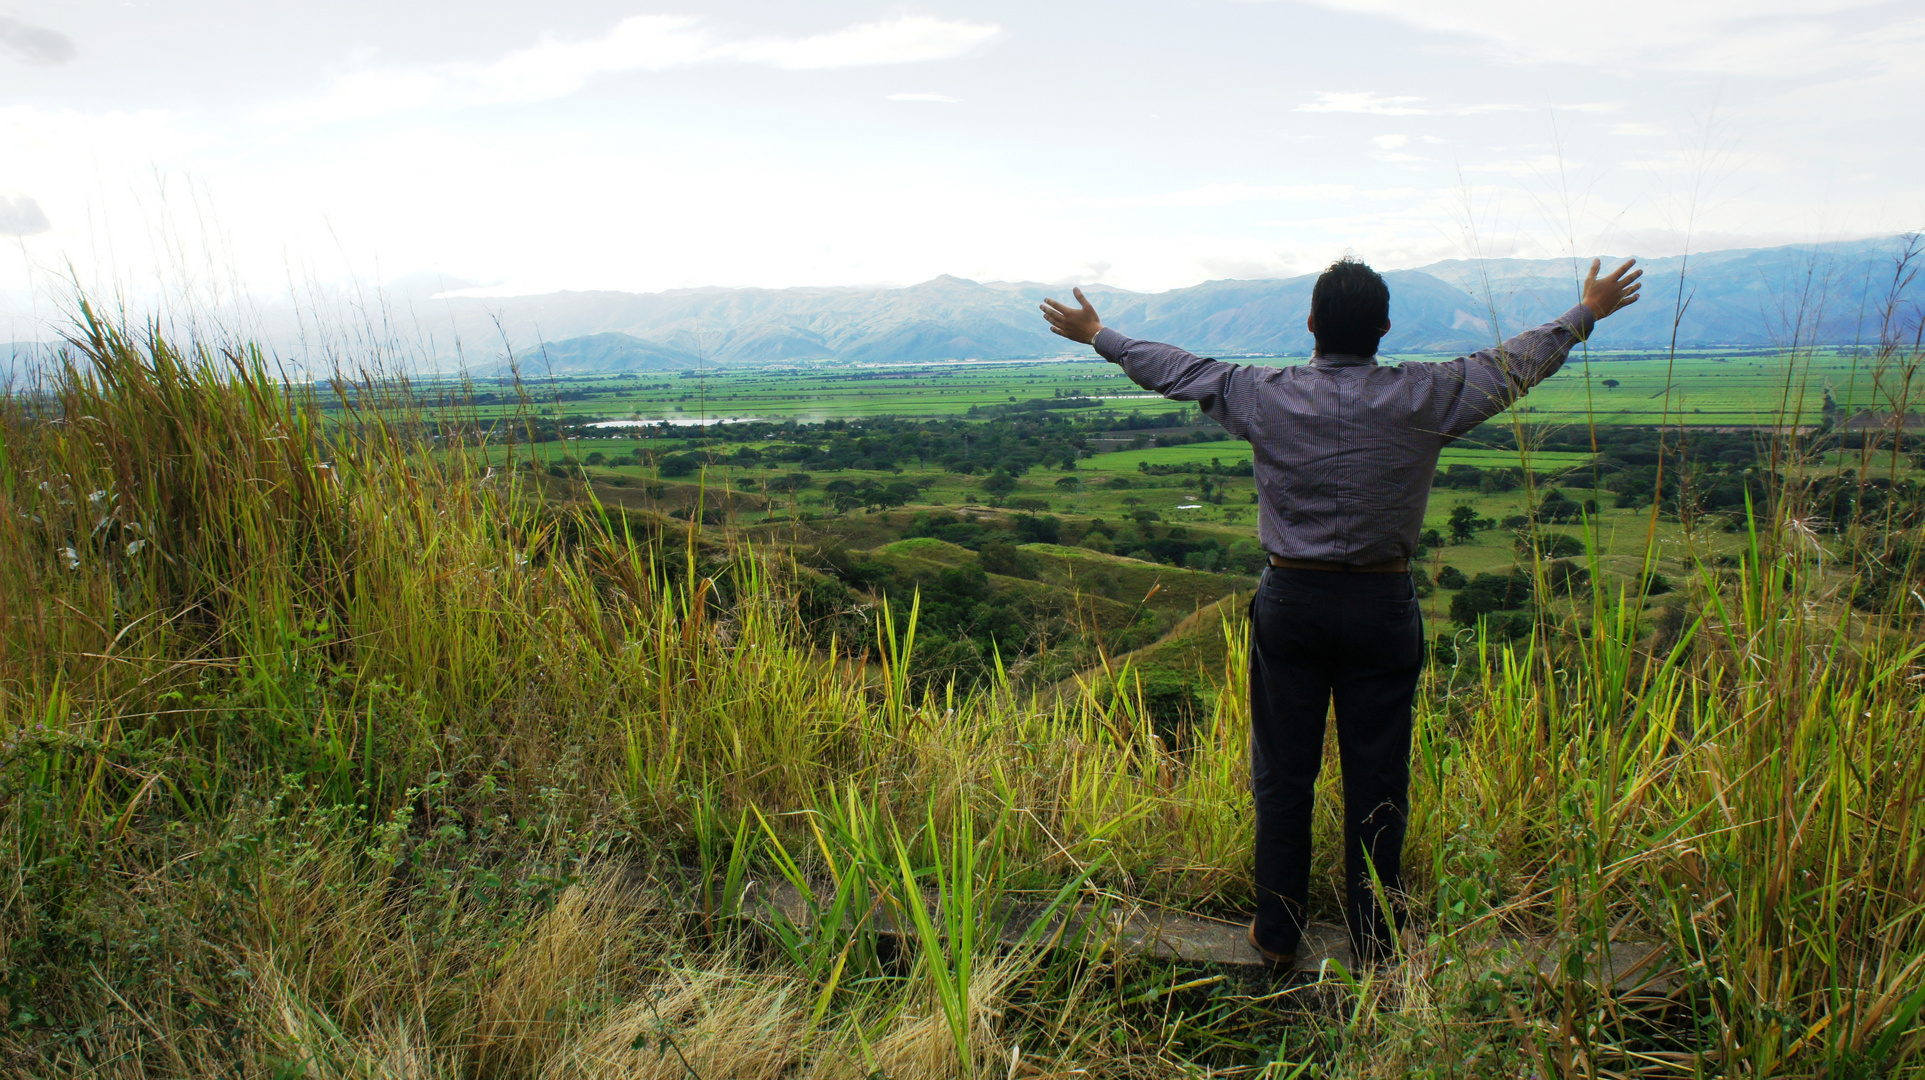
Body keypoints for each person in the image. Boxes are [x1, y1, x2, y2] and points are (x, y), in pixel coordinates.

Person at [1039, 256, 1641, 964]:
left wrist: (1098, 334)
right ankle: (1374, 939)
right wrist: (1584, 314)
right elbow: (1511, 364)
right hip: (1382, 603)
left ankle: (1276, 930)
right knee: (1378, 777)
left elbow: (1176, 368)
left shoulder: (1262, 394)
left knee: (1283, 773)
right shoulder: (1426, 394)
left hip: (1291, 600)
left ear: (1310, 325)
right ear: (1384, 328)